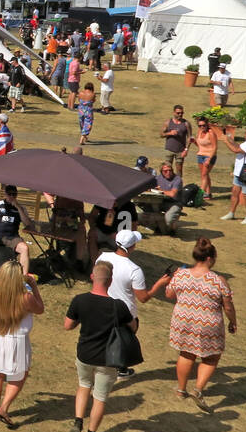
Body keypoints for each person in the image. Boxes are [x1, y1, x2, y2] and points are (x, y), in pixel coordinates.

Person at [64, 262, 136, 432]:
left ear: (92, 277)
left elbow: (68, 325)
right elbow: (132, 327)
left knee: (83, 385)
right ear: (110, 281)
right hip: (107, 359)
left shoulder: (79, 300)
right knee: (100, 397)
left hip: (85, 354)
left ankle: (78, 421)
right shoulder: (117, 306)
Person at [166, 238, 236, 413]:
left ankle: (181, 390)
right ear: (210, 259)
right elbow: (228, 306)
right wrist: (233, 322)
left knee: (186, 353)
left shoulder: (181, 274)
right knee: (211, 357)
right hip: (208, 323)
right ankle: (198, 389)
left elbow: (169, 294)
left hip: (183, 320)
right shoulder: (218, 280)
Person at [0, 260, 45, 428]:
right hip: (15, 340)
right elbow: (40, 309)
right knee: (20, 374)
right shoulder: (26, 297)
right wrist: (34, 287)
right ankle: (3, 408)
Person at [95, 229, 171, 377]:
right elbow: (143, 298)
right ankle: (120, 368)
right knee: (122, 341)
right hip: (125, 312)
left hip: (103, 306)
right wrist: (159, 284)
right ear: (131, 247)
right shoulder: (134, 270)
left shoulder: (102, 257)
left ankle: (107, 367)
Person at [219, 125, 246, 224]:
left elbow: (235, 150)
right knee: (235, 192)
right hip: (239, 170)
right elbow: (238, 146)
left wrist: (226, 141)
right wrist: (229, 139)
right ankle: (231, 212)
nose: (244, 134)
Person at [149, 161, 185, 234]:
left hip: (174, 203)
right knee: (144, 213)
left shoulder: (177, 179)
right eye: (165, 171)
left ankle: (171, 228)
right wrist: (151, 189)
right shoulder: (158, 178)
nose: (168, 172)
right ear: (161, 172)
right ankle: (159, 226)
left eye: (170, 170)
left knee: (168, 220)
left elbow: (172, 194)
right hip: (160, 202)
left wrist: (161, 191)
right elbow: (150, 188)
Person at [160, 104, 192, 180]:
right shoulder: (168, 122)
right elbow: (161, 134)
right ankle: (166, 183)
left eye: (182, 113)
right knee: (167, 169)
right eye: (178, 113)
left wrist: (186, 150)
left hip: (180, 151)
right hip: (169, 150)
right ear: (174, 112)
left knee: (179, 169)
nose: (180, 114)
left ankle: (178, 185)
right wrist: (169, 133)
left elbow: (189, 137)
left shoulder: (186, 123)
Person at [193, 115, 219, 200]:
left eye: (204, 125)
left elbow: (215, 147)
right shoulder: (199, 132)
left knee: (204, 174)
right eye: (200, 125)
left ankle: (200, 195)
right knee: (204, 175)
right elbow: (200, 145)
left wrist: (209, 159)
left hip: (209, 156)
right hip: (200, 155)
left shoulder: (211, 133)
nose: (202, 127)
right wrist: (194, 142)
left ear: (207, 125)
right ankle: (208, 193)